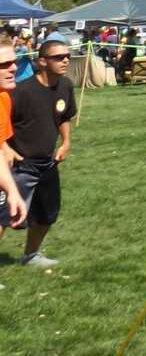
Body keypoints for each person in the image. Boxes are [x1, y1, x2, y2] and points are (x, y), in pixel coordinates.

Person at [2, 34, 76, 267]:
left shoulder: (65, 86)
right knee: (4, 216)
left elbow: (63, 116)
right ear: (42, 61)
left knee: (47, 213)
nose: (65, 60)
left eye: (67, 56)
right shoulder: (19, 92)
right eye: (58, 57)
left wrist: (65, 142)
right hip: (21, 165)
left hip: (47, 162)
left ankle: (31, 255)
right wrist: (7, 149)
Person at [0, 39, 33, 230]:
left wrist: (5, 148)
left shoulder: (4, 97)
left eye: (14, 62)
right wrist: (12, 190)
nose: (14, 68)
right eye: (4, 64)